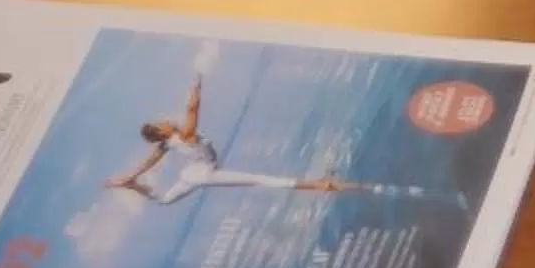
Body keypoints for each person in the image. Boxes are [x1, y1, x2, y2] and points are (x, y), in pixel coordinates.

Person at [106, 76, 456, 209]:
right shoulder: (182, 136)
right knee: (266, 182)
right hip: (201, 174)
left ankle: (134, 190)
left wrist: (128, 178)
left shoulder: (167, 146)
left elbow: (148, 163)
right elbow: (193, 109)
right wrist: (196, 85)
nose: (166, 120)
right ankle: (321, 184)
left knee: (165, 200)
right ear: (163, 130)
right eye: (161, 123)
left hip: (192, 175)